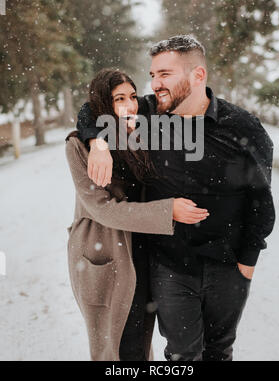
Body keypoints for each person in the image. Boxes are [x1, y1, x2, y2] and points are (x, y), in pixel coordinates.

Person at [76, 35, 276, 361]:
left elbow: (261, 201)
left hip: (227, 266)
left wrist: (246, 263)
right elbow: (93, 107)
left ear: (198, 75)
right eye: (153, 74)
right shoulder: (151, 114)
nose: (154, 84)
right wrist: (98, 143)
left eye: (165, 74)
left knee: (219, 352)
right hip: (171, 266)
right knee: (183, 356)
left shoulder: (243, 127)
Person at [65, 67, 209, 362]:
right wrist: (97, 142)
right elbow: (103, 210)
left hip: (143, 244)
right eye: (118, 99)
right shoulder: (78, 146)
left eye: (132, 96)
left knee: (141, 339)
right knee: (115, 345)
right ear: (103, 105)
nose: (129, 105)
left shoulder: (142, 126)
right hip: (105, 249)